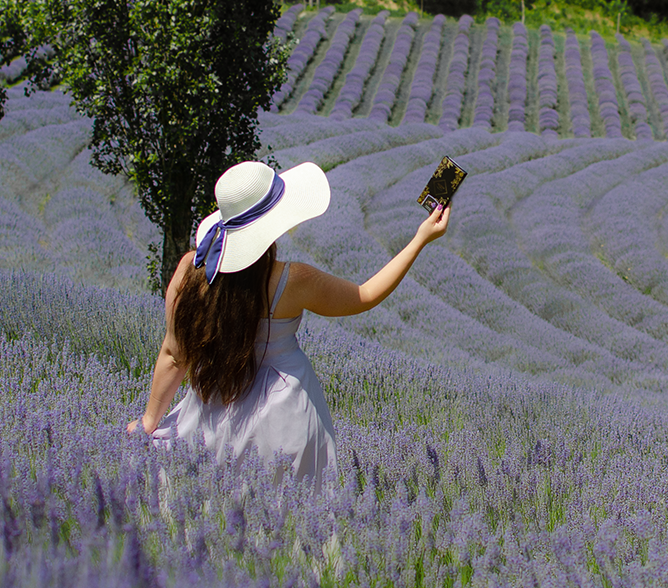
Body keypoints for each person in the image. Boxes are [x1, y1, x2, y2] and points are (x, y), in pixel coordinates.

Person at [127, 159, 450, 484]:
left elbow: (174, 355)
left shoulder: (191, 270)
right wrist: (420, 239)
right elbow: (364, 295)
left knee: (206, 501)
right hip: (285, 416)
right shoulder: (291, 280)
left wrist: (149, 421)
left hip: (213, 407)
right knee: (293, 508)